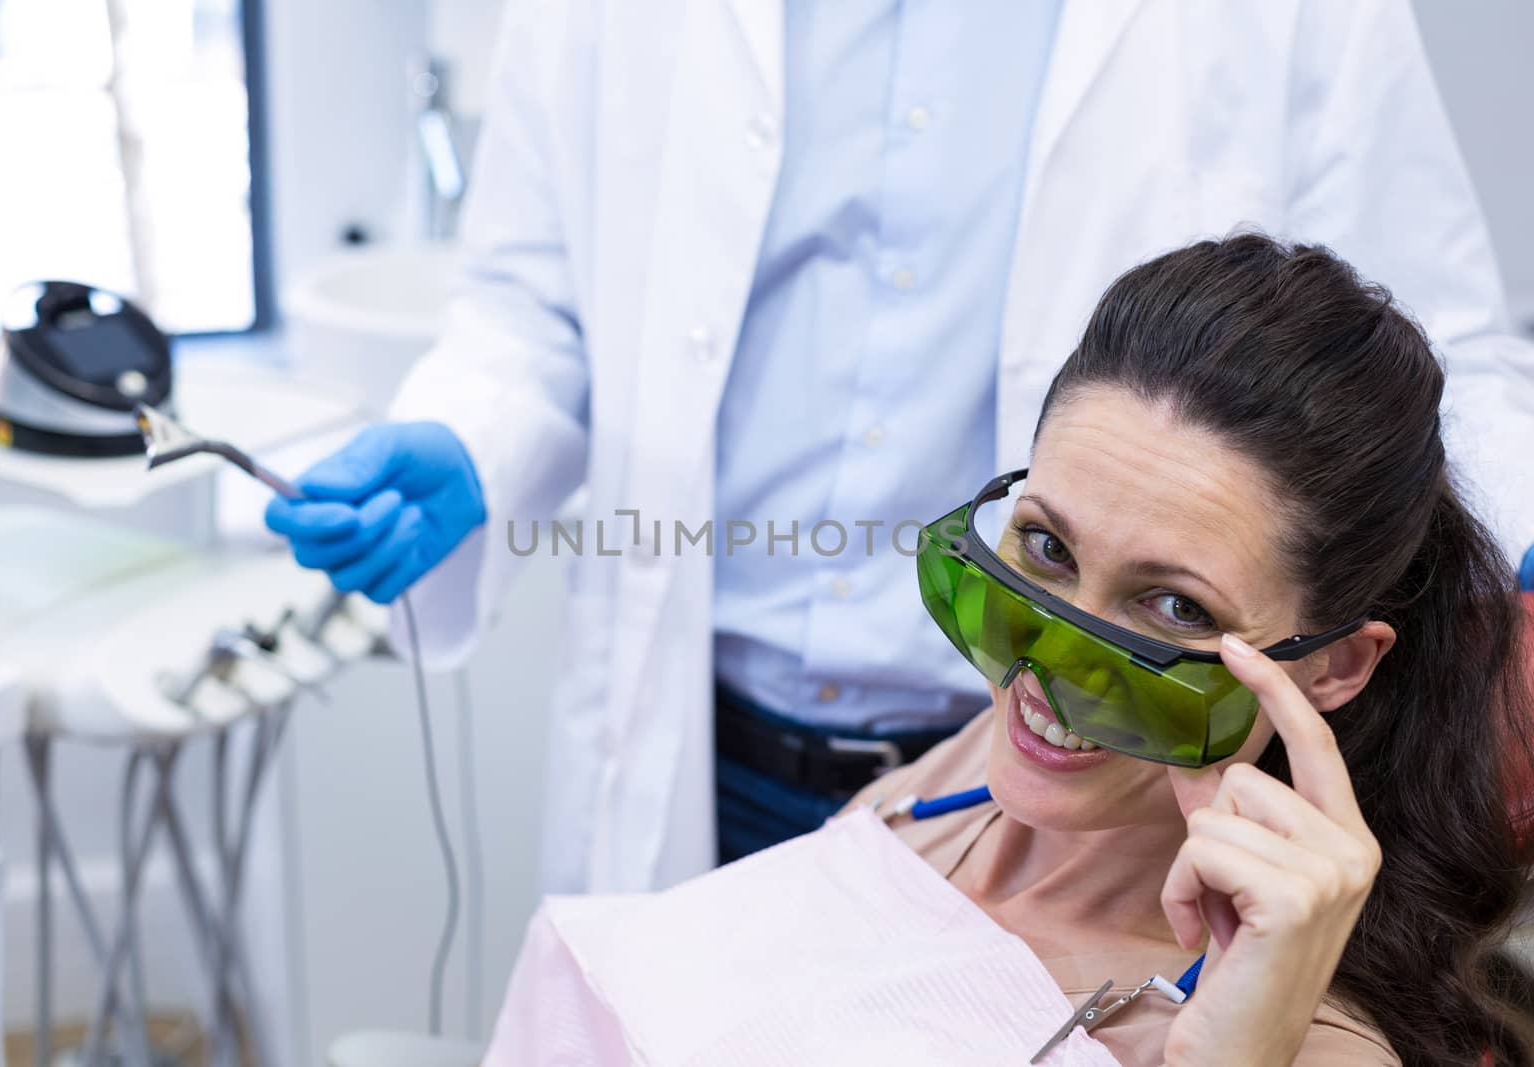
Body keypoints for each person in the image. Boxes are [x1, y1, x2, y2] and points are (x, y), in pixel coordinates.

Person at [264, 0, 1534, 892]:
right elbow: (531, 304)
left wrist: (1520, 553)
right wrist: (472, 431)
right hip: (704, 751)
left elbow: (1443, 345)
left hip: (1080, 762)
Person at [486, 236, 1534, 1066]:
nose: (1047, 672)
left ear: (1333, 665)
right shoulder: (955, 784)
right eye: (1044, 546)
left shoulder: (1297, 1039)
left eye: (1171, 605)